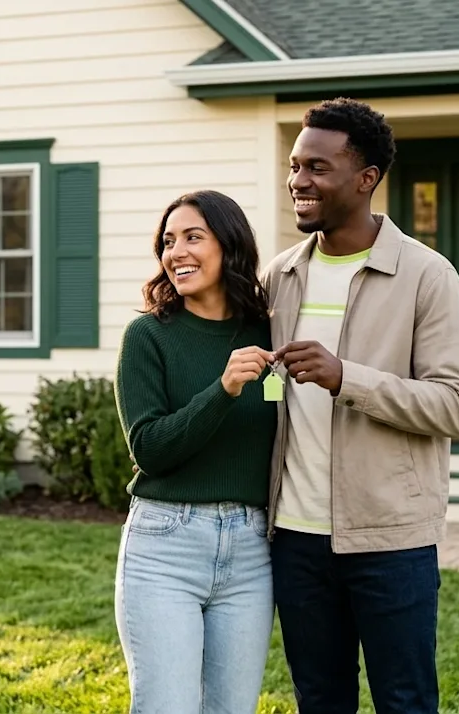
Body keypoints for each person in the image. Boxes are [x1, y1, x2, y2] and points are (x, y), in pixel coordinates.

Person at [262, 98, 459, 713]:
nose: (298, 181)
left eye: (317, 169)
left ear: (366, 179)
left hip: (390, 540)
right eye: (296, 165)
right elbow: (274, 390)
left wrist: (345, 378)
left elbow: (456, 405)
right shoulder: (281, 276)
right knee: (320, 700)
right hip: (296, 538)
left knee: (405, 701)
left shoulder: (426, 276)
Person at [112, 189, 279, 714]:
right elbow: (149, 449)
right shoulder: (148, 336)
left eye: (192, 237)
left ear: (228, 245)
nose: (176, 252)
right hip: (165, 546)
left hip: (252, 551)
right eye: (168, 241)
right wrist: (222, 390)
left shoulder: (269, 333)